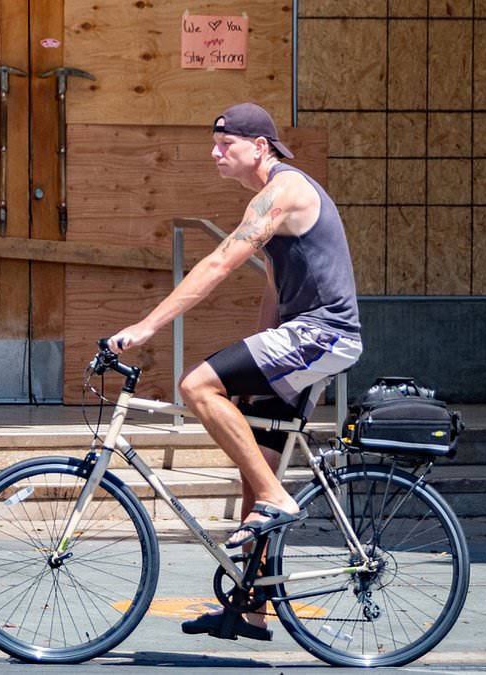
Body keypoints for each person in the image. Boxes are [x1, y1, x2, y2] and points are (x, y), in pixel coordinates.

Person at [108, 102, 363, 641]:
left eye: (226, 144)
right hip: (305, 339)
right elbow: (274, 289)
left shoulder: (284, 190)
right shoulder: (272, 199)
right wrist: (256, 362)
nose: (215, 152)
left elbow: (221, 262)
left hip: (323, 333)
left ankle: (277, 496)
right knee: (257, 471)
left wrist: (148, 326)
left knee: (196, 384)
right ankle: (251, 609)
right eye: (215, 143)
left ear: (260, 147)